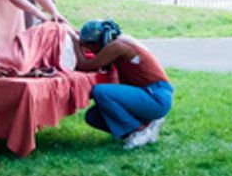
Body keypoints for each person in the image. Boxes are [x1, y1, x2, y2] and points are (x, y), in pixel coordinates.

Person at [72, 19, 173, 150]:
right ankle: (144, 127)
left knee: (100, 91)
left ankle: (140, 130)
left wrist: (76, 44)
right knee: (93, 116)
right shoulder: (121, 42)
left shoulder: (117, 46)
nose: (88, 49)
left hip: (155, 97)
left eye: (89, 45)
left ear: (101, 40)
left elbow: (84, 66)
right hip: (149, 94)